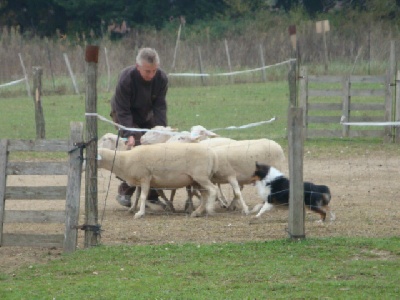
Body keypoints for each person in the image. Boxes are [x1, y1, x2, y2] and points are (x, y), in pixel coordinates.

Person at [110, 47, 168, 207]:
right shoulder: (126, 79)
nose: (151, 75)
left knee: (155, 147)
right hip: (123, 114)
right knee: (137, 147)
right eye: (147, 71)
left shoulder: (161, 78)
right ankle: (125, 191)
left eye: (154, 70)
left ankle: (151, 193)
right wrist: (129, 133)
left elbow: (160, 106)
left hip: (146, 114)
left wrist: (161, 131)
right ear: (138, 67)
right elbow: (122, 110)